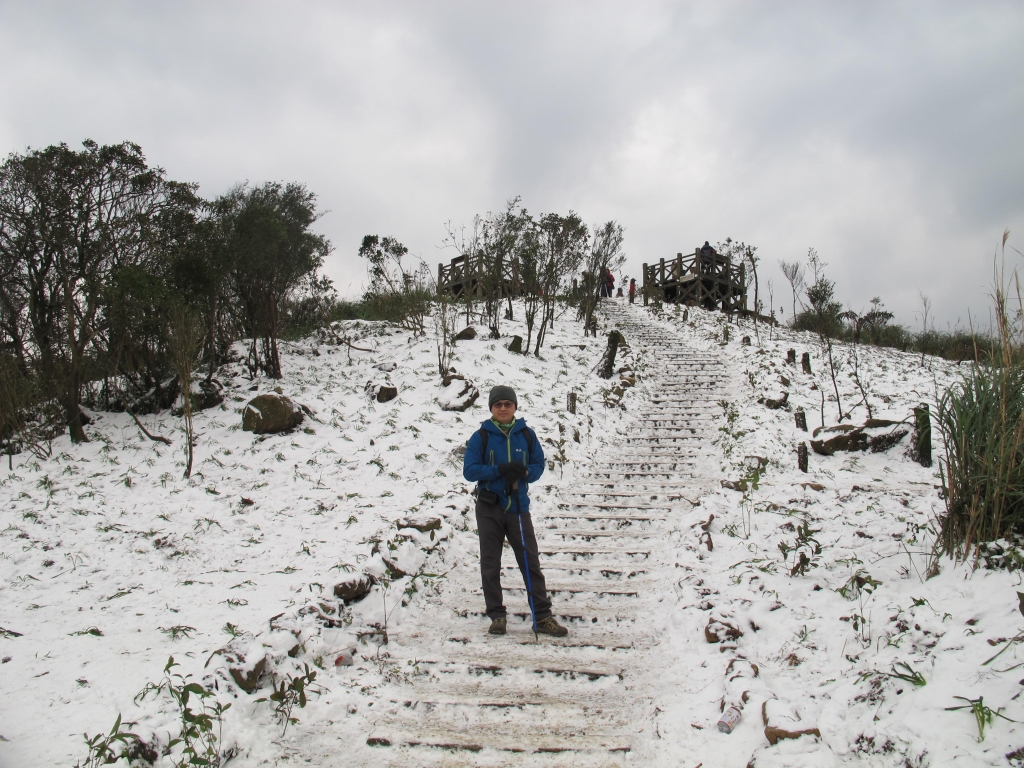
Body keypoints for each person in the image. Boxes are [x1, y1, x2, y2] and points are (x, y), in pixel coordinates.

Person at [462, 386, 568, 637]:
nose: (502, 408)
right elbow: (470, 471)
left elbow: (538, 464)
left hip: (518, 507)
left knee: (530, 561)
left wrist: (525, 473)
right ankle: (497, 615)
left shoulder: (527, 435)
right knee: (490, 563)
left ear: (515, 407)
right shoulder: (481, 437)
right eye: (498, 404)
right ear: (491, 408)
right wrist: (500, 470)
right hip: (489, 507)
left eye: (507, 404)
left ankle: (542, 616)